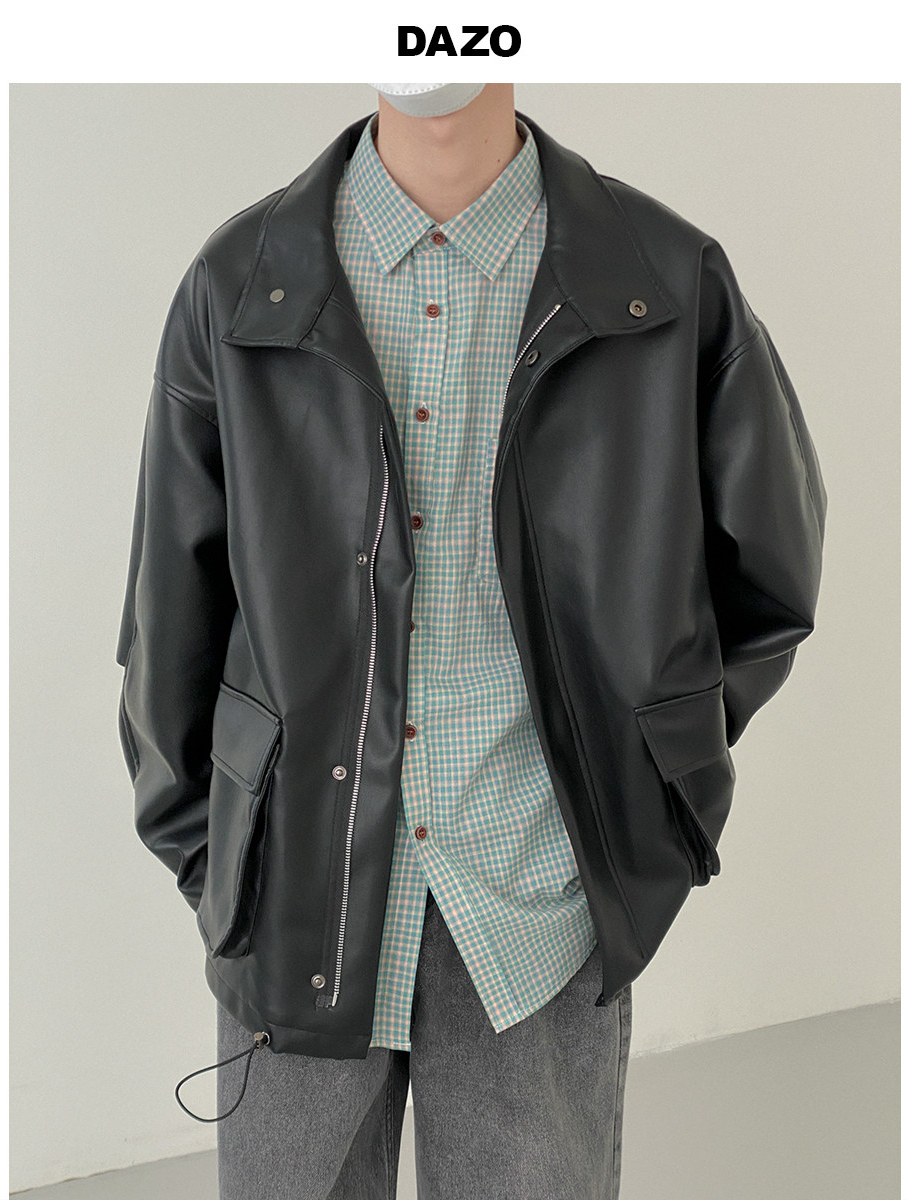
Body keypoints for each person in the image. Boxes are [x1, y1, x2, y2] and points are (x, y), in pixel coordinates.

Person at [115, 82, 827, 1199]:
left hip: (539, 904)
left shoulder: (664, 277)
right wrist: (221, 867)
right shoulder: (239, 280)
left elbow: (770, 573)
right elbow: (170, 613)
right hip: (293, 900)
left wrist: (652, 782)